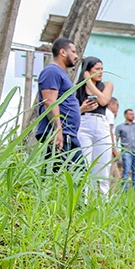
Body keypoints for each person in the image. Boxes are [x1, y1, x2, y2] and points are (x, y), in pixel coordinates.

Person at [35, 37, 88, 172]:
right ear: (63, 52)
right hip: (60, 134)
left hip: (67, 134)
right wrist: (57, 129)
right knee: (71, 176)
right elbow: (49, 101)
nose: (76, 56)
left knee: (65, 176)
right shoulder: (52, 71)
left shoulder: (60, 74)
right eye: (73, 52)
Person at [76, 56, 115, 195]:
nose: (100, 72)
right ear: (87, 70)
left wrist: (88, 81)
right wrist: (83, 108)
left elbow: (103, 101)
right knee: (84, 165)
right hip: (84, 124)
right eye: (97, 69)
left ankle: (104, 201)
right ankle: (84, 199)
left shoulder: (107, 85)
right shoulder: (77, 89)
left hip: (101, 124)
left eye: (102, 69)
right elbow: (74, 111)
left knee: (103, 167)